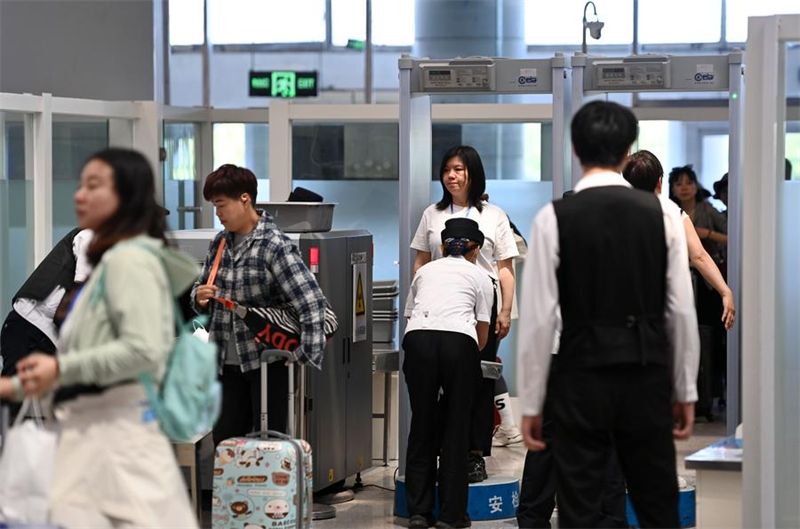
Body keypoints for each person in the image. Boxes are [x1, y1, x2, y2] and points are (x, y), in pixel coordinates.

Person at [518, 101, 700, 529]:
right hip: (645, 368)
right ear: (626, 152)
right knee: (657, 500)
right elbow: (679, 309)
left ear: (576, 151)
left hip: (579, 372)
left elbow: (541, 317)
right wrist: (685, 387)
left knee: (579, 501)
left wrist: (531, 399)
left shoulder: (553, 218)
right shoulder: (664, 216)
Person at [6, 148, 197, 527]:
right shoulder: (113, 256)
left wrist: (59, 369)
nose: (79, 195)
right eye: (81, 185)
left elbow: (142, 350)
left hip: (116, 445)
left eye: (93, 186)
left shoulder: (129, 260)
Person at [191, 164, 327, 447]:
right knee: (226, 446)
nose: (218, 214)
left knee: (269, 446)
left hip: (267, 363)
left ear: (245, 199)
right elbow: (202, 289)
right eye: (214, 206)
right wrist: (199, 296)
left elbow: (311, 301)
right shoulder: (219, 243)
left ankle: (272, 494)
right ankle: (232, 494)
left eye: (221, 205)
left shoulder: (274, 245)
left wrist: (304, 355)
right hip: (225, 366)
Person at [411, 145, 519, 482]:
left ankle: (474, 454)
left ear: (473, 172)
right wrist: (413, 309)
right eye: (446, 170)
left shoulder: (494, 215)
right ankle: (439, 452)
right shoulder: (432, 213)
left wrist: (505, 310)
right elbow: (420, 262)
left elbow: (505, 268)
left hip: (482, 309)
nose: (451, 176)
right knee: (437, 385)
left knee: (480, 383)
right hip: (437, 307)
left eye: (458, 169)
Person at [404, 218, 494, 529]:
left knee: (422, 423)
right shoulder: (481, 276)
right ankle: (452, 516)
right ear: (476, 249)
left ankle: (418, 512)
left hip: (418, 340)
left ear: (442, 247)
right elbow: (482, 333)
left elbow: (410, 313)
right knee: (456, 427)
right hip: (459, 341)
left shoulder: (425, 271)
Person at [624, 151, 735, 331]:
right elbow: (699, 256)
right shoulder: (674, 214)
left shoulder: (615, 214)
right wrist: (725, 290)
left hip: (622, 301)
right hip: (662, 302)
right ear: (660, 182)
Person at [669, 164, 728, 420]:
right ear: (668, 186)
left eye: (688, 182)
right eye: (679, 183)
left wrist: (707, 233)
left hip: (705, 285)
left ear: (696, 185)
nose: (684, 187)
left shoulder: (707, 210)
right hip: (678, 279)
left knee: (706, 340)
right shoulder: (668, 211)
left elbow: (732, 236)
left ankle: (705, 399)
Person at [0, 228, 93, 380]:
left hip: (51, 340)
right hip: (29, 325)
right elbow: (81, 292)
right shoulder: (90, 235)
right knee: (14, 395)